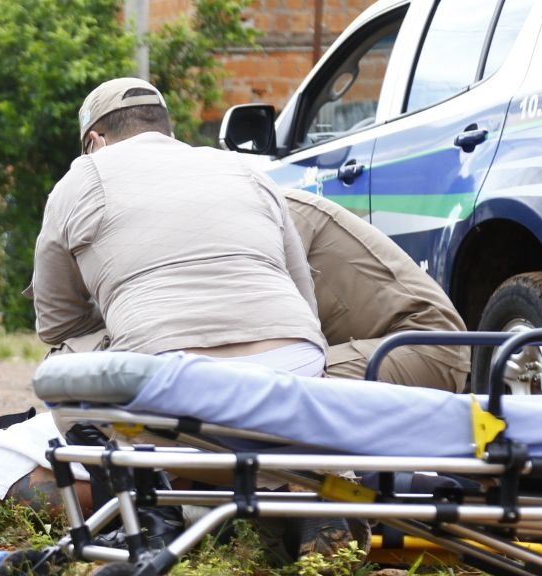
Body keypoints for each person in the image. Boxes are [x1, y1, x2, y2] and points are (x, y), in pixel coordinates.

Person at [30, 77, 328, 375]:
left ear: (95, 141)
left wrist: (128, 313)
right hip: (296, 361)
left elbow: (57, 323)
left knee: (62, 361)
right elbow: (303, 294)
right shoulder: (245, 170)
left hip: (167, 372)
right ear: (169, 133)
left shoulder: (82, 176)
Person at [283, 188, 470, 392]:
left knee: (273, 385)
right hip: (399, 343)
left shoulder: (277, 214)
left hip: (422, 343)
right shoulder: (266, 211)